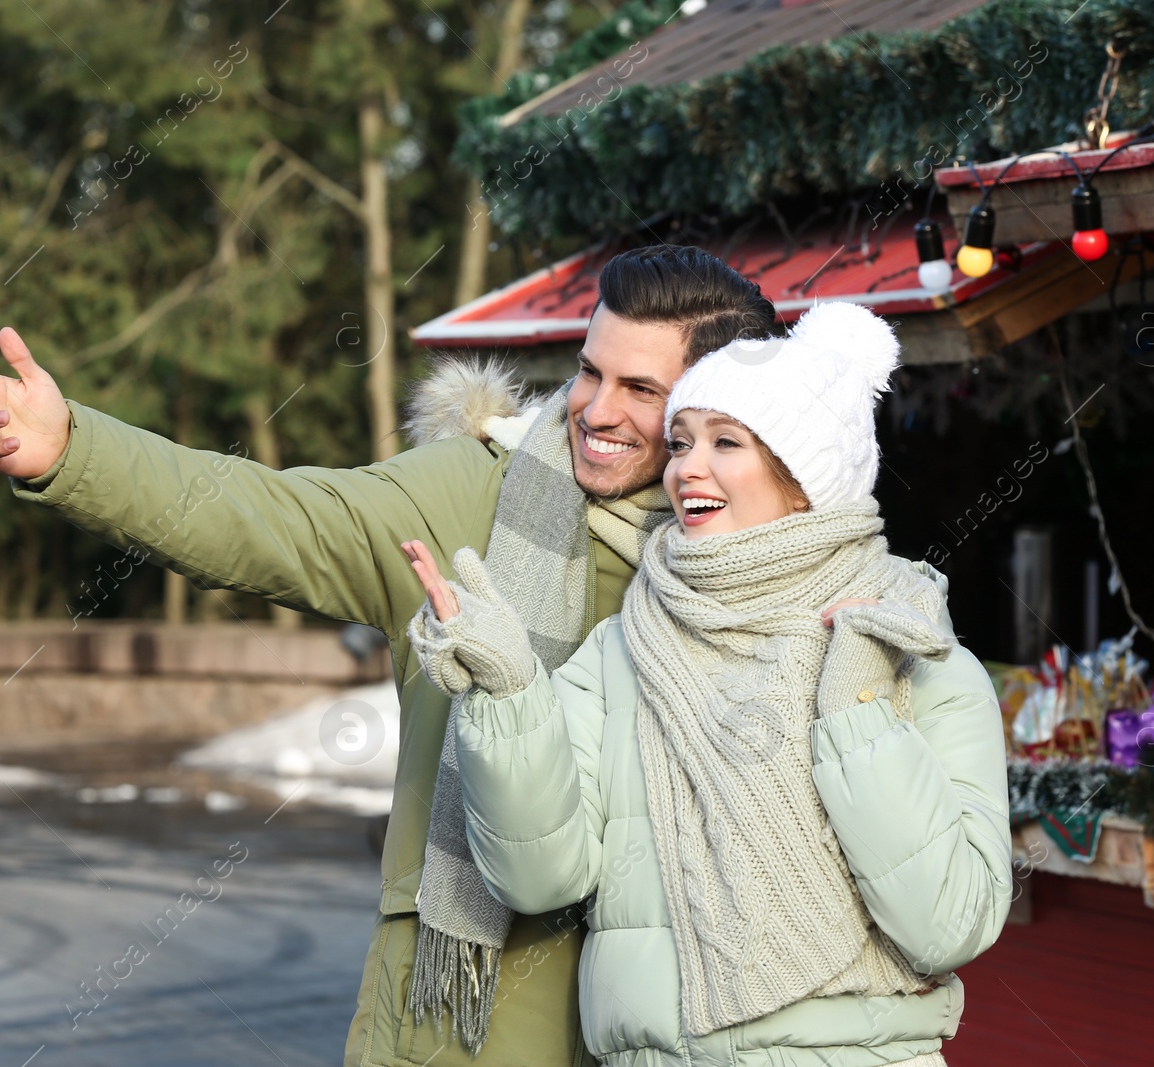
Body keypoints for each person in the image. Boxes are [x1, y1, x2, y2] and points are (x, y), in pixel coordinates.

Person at [0, 245, 795, 1066]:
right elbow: (275, 519)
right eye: (589, 371)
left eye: (640, 388)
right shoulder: (472, 496)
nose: (595, 410)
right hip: (465, 1026)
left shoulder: (775, 573)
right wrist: (76, 450)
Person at [403, 301, 1010, 1067]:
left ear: (805, 476)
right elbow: (539, 877)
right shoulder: (621, 650)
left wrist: (858, 712)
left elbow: (950, 923)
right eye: (683, 440)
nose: (686, 465)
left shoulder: (919, 652)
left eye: (727, 442)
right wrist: (511, 696)